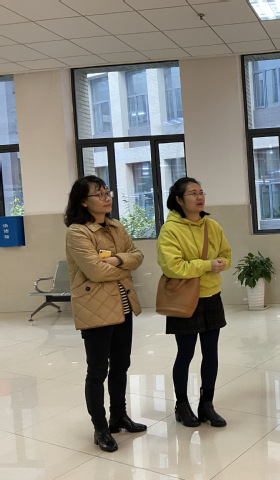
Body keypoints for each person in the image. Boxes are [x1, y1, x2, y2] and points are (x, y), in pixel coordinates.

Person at [64, 175, 146, 453]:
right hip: (95, 309)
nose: (106, 198)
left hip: (123, 306)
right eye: (99, 194)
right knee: (98, 370)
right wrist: (123, 266)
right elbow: (95, 271)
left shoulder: (116, 226)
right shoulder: (77, 232)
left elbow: (137, 256)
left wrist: (117, 259)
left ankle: (119, 416)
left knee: (121, 365)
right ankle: (100, 428)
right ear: (83, 202)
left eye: (107, 192)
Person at [157, 177, 232, 428]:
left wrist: (221, 263)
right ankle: (181, 404)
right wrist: (207, 265)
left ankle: (206, 404)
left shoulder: (213, 226)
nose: (199, 197)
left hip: (212, 295)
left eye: (201, 192)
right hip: (184, 299)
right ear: (179, 200)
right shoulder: (170, 230)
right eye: (192, 193)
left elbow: (226, 254)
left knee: (211, 353)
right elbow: (172, 266)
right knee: (185, 353)